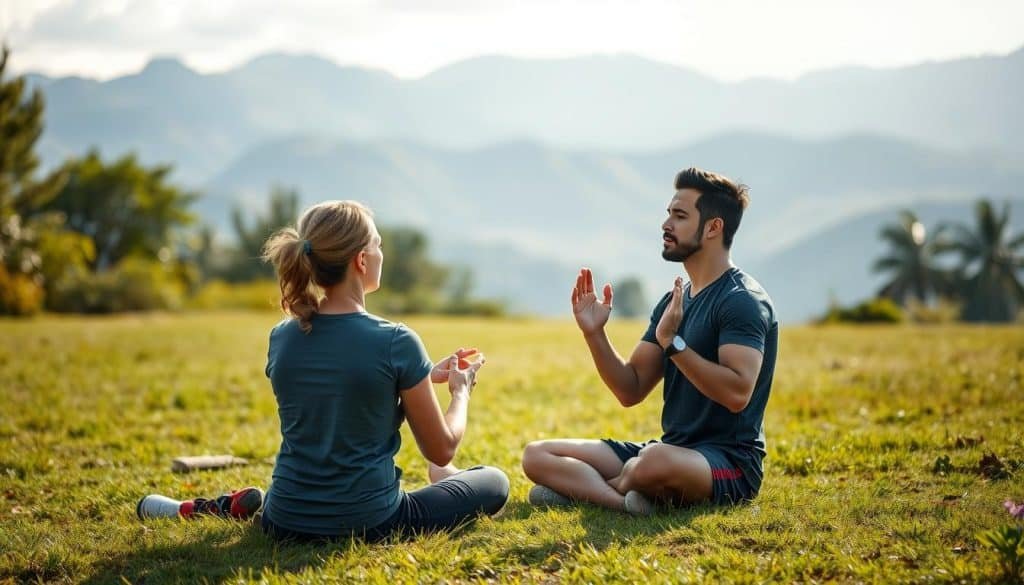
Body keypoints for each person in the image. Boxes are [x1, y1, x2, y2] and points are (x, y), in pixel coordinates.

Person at [138, 200, 509, 541]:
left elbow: (340, 395)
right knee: (494, 481)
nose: (382, 253)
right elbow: (442, 449)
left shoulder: (283, 336)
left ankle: (222, 506)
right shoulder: (396, 340)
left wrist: (422, 377)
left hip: (283, 520)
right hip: (370, 522)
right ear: (362, 260)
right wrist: (460, 390)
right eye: (378, 245)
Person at [521, 167, 778, 515]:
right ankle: (624, 501)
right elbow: (631, 387)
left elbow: (737, 394)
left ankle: (586, 490)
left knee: (652, 462)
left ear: (714, 227)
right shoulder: (674, 300)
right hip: (669, 450)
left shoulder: (742, 300)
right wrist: (594, 334)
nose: (666, 224)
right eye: (668, 213)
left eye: (680, 215)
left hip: (728, 465)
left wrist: (674, 344)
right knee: (537, 455)